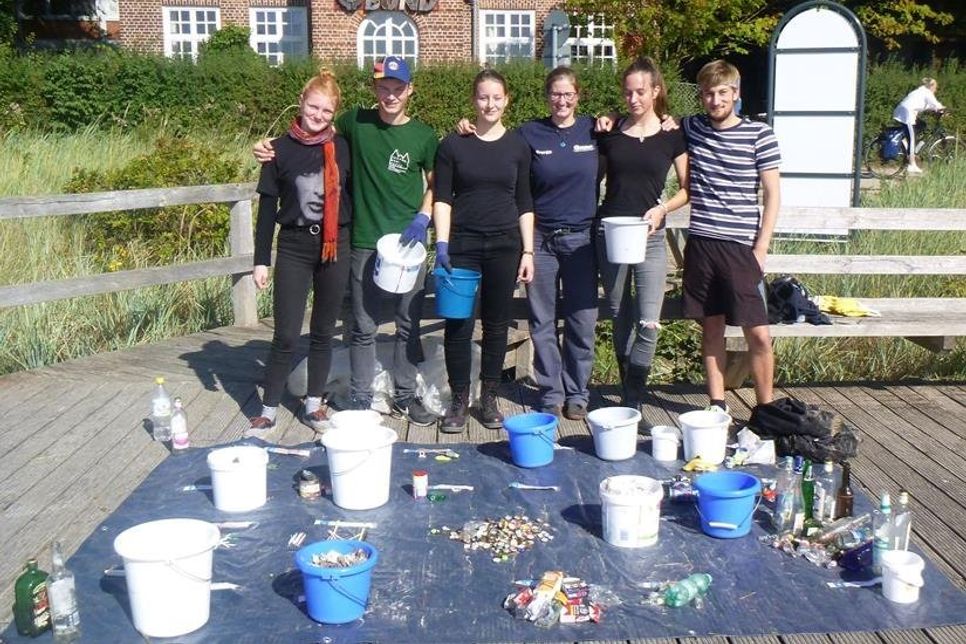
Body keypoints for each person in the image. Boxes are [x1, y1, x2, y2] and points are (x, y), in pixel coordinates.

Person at [254, 56, 439, 426]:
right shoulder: (355, 123)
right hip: (362, 241)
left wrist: (424, 217)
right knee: (363, 325)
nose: (390, 95)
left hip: (408, 245)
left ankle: (404, 396)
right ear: (374, 89)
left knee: (407, 323)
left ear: (410, 90)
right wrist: (265, 147)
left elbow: (436, 183)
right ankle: (361, 396)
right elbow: (309, 136)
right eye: (383, 87)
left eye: (397, 88)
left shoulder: (424, 135)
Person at [248, 69, 353, 434]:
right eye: (314, 107)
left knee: (323, 330)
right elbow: (266, 209)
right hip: (293, 245)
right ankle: (269, 407)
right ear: (301, 102)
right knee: (287, 333)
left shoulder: (341, 147)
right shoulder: (277, 150)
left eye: (326, 111)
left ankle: (313, 405)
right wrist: (261, 260)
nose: (318, 115)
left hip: (335, 244)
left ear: (334, 113)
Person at [433, 69, 535, 433]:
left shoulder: (518, 146)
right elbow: (442, 199)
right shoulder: (453, 145)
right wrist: (442, 244)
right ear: (473, 100)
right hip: (463, 245)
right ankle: (459, 399)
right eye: (482, 97)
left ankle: (488, 397)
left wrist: (528, 251)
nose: (489, 104)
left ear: (507, 100)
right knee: (458, 324)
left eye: (496, 97)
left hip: (505, 245)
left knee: (496, 324)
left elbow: (525, 200)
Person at [681, 59, 781, 412]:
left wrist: (761, 247)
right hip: (702, 244)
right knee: (711, 329)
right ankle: (717, 403)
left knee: (759, 333)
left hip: (741, 248)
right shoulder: (692, 127)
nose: (715, 100)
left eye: (722, 92)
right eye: (708, 94)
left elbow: (772, 194)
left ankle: (765, 408)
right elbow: (652, 119)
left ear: (735, 94)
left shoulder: (759, 135)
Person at [596, 57, 689, 415]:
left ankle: (633, 395)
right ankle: (627, 390)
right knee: (619, 314)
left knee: (649, 321)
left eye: (640, 91)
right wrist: (601, 121)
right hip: (612, 235)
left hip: (650, 236)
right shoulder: (611, 131)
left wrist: (663, 209)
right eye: (628, 91)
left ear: (655, 91)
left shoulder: (671, 135)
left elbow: (687, 188)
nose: (633, 98)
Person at [892, 77, 945, 175]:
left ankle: (911, 148)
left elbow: (929, 106)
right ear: (931, 86)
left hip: (905, 112)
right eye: (935, 87)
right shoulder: (927, 92)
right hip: (906, 115)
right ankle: (912, 165)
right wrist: (943, 109)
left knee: (922, 125)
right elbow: (935, 104)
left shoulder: (920, 92)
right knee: (912, 139)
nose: (936, 90)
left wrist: (936, 110)